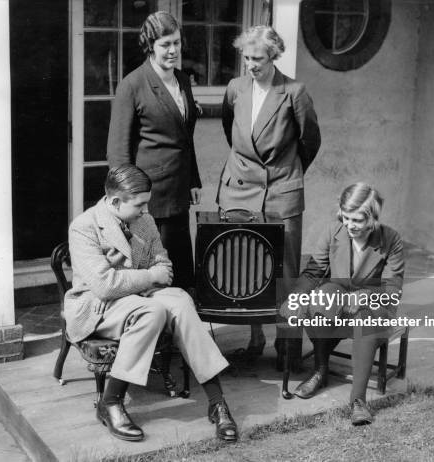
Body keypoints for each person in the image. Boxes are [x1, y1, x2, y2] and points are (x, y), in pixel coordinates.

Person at [64, 165, 238, 442]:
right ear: (114, 201)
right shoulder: (84, 227)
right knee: (153, 310)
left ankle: (217, 402)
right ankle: (110, 403)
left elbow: (164, 267)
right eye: (140, 204)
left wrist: (142, 282)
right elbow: (104, 285)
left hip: (137, 297)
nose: (146, 210)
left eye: (147, 203)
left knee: (180, 300)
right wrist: (148, 278)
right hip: (96, 307)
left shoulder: (144, 221)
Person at [217, 25, 321, 365]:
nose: (251, 65)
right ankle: (255, 337)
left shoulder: (294, 91)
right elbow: (231, 132)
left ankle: (288, 347)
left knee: (285, 273)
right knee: (245, 268)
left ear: (273, 55)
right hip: (239, 191)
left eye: (258, 58)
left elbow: (310, 142)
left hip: (281, 193)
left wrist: (286, 173)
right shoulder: (235, 89)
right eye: (246, 58)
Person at [279, 183, 404, 425]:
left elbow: (392, 290)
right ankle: (320, 370)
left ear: (373, 217)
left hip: (374, 303)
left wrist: (366, 296)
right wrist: (296, 297)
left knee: (364, 320)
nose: (350, 225)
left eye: (357, 220)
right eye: (346, 218)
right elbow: (313, 272)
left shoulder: (391, 240)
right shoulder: (333, 231)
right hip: (340, 294)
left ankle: (358, 401)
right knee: (317, 302)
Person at [107, 11, 200, 290]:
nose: (173, 50)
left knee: (181, 271)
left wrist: (194, 180)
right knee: (157, 272)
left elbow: (185, 138)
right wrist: (131, 201)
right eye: (165, 44)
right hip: (150, 200)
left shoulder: (183, 81)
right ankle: (159, 332)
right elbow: (117, 153)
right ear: (150, 45)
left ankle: (181, 329)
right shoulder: (133, 85)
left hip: (179, 192)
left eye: (176, 42)